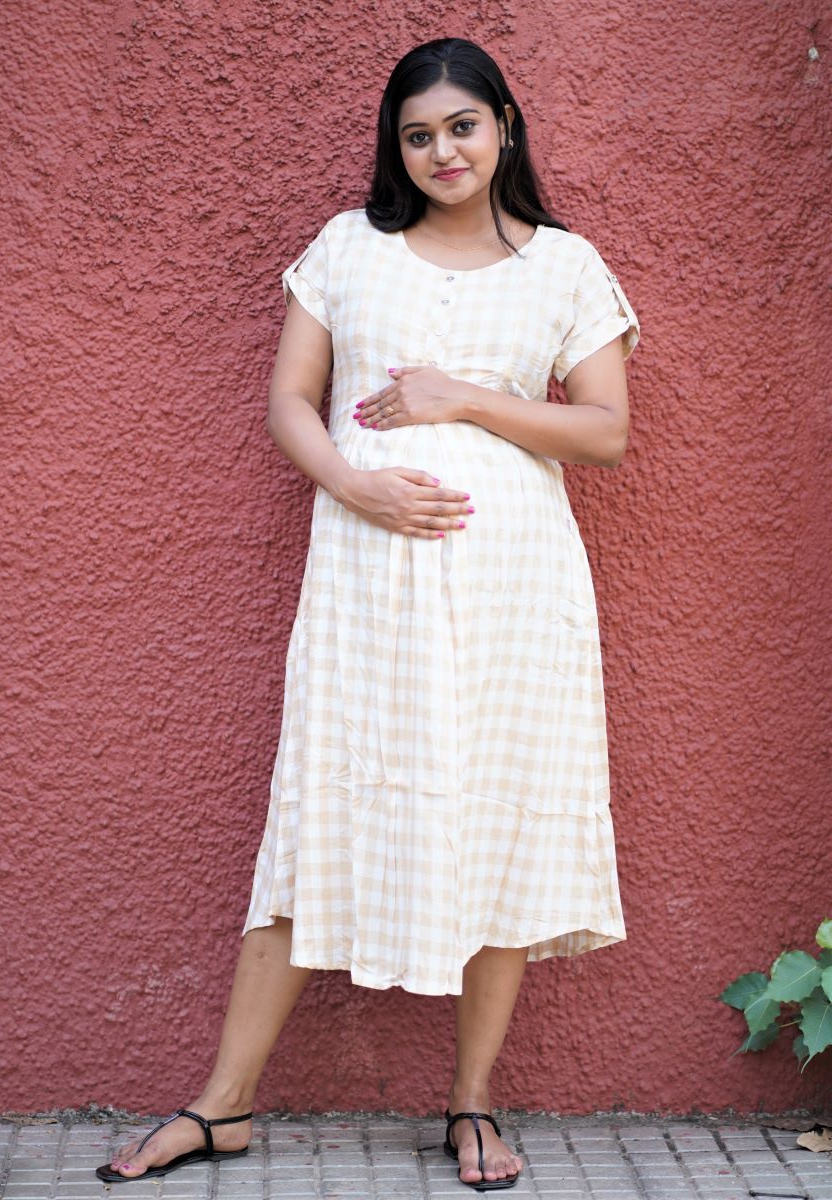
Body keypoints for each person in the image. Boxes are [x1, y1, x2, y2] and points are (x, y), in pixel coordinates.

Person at [96, 36, 640, 1194]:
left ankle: (473, 1105)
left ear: (504, 126)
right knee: (320, 815)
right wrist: (355, 482)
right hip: (366, 587)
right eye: (418, 134)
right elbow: (292, 400)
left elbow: (604, 430)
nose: (443, 150)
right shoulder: (351, 248)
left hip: (516, 594)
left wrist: (464, 398)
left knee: (502, 819)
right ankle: (221, 1105)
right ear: (398, 149)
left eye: (462, 126)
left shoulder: (567, 267)